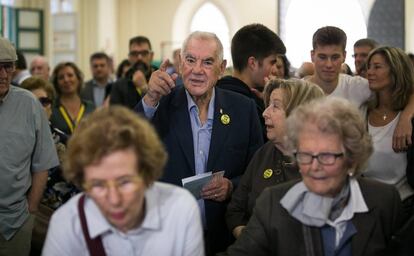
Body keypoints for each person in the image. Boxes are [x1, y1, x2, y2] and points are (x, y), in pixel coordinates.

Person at [135, 31, 263, 255]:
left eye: (207, 62)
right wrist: (150, 98)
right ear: (180, 63)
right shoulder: (160, 104)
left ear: (221, 68)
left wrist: (231, 186)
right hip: (169, 237)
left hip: (225, 239)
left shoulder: (244, 109)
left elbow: (257, 172)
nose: (197, 70)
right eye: (191, 60)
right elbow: (128, 146)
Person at [225, 97, 404, 256]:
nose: (314, 167)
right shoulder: (273, 204)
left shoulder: (384, 201)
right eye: (305, 155)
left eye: (327, 156)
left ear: (352, 159)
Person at [42, 106, 204, 256]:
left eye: (125, 182)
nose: (114, 199)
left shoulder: (180, 210)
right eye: (98, 185)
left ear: (147, 173)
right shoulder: (67, 224)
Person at [226, 78, 324, 239]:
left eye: (276, 106)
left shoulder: (325, 165)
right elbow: (236, 209)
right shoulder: (264, 152)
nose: (265, 113)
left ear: (299, 114)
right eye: (268, 105)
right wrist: (247, 237)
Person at [307, 26, 414, 152]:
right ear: (312, 56)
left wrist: (406, 118)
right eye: (322, 57)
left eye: (335, 57)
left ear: (344, 56)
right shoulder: (297, 91)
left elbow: (406, 89)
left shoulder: (358, 86)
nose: (329, 64)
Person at [0, 37, 58, 256]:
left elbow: (42, 161)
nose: (3, 74)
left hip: (16, 220)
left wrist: (32, 207)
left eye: (8, 66)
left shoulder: (29, 104)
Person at [363, 46, 414, 214]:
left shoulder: (408, 116)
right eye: (369, 67)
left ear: (395, 71)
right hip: (367, 206)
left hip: (403, 207)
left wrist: (406, 118)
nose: (370, 72)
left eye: (377, 67)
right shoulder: (363, 111)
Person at [217, 23, 286, 140]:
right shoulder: (247, 106)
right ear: (253, 63)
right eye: (272, 62)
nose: (275, 70)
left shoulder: (217, 92)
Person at [110, 36, 157, 108]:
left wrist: (144, 88)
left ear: (151, 56)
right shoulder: (118, 86)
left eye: (144, 53)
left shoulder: (161, 81)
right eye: (134, 54)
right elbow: (116, 116)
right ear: (129, 57)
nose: (139, 57)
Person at [50, 62, 95, 135]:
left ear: (78, 79)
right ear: (56, 83)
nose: (66, 80)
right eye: (61, 77)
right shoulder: (52, 108)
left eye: (70, 75)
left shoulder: (90, 107)